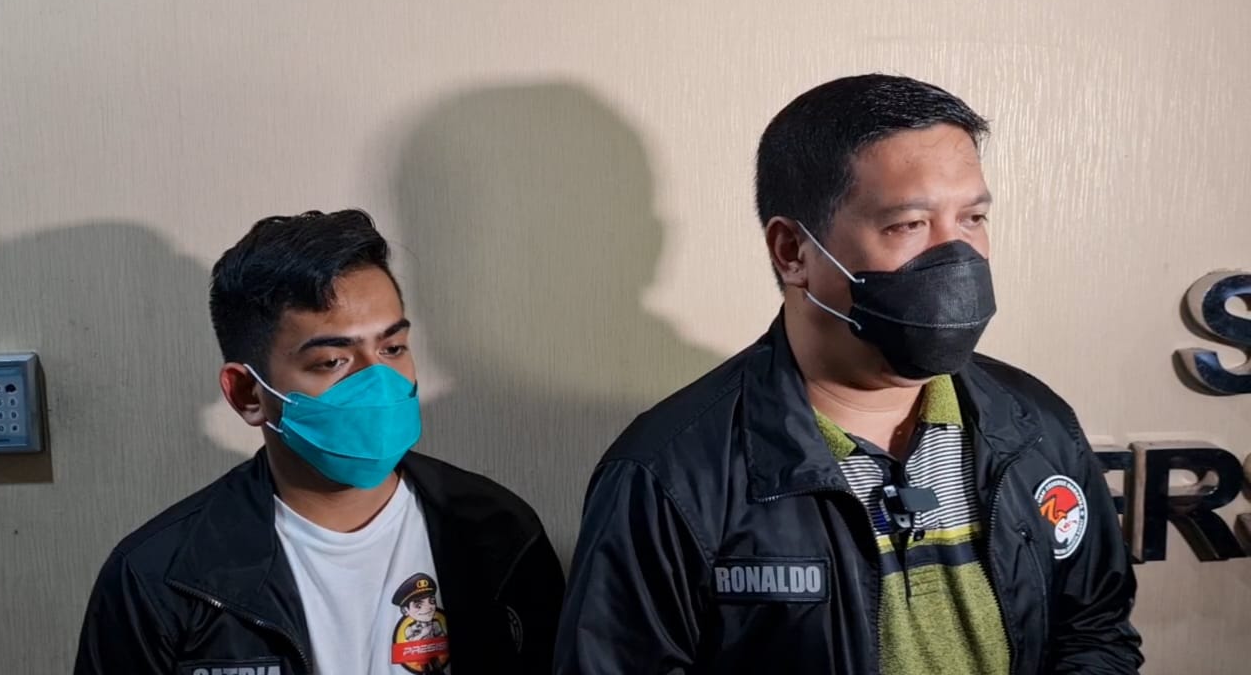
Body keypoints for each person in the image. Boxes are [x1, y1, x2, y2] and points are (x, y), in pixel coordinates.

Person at [556, 74, 1142, 674]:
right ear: (793, 251)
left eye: (972, 218)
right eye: (908, 224)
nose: (957, 258)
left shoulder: (1034, 426)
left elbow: (1095, 631)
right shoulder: (669, 473)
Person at [75, 209, 564, 674]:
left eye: (393, 348)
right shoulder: (162, 578)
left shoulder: (500, 533)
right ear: (247, 393)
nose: (378, 382)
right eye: (332, 361)